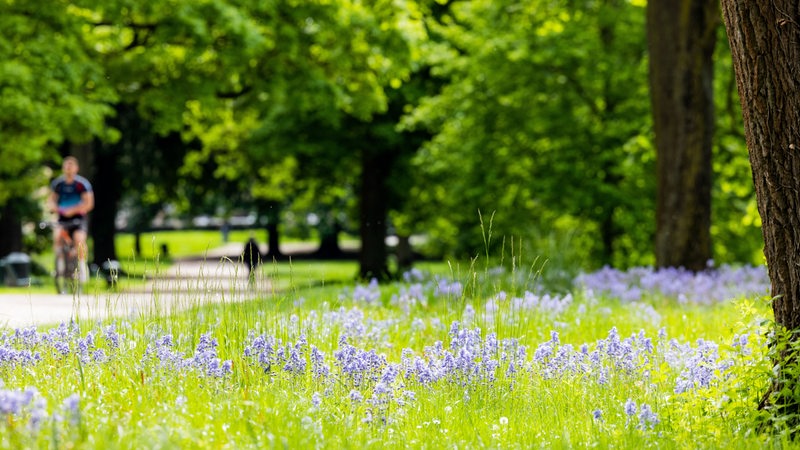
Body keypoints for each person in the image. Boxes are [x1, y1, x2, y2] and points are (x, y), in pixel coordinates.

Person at [47, 156, 94, 282]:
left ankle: (82, 265)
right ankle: (60, 265)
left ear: (76, 168)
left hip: (78, 218)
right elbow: (51, 200)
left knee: (79, 240)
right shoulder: (58, 184)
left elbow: (89, 203)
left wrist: (73, 210)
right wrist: (54, 208)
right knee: (57, 237)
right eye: (66, 166)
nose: (68, 169)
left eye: (71, 166)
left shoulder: (81, 184)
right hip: (62, 218)